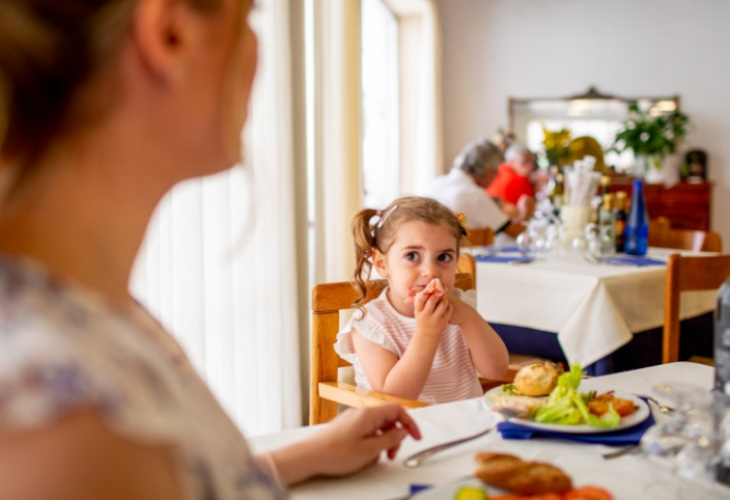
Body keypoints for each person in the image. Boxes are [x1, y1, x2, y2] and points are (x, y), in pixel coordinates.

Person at [0, 1, 420, 498]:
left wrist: (299, 457)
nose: (256, 50)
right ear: (172, 33)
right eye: (248, 18)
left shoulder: (89, 314)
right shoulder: (64, 429)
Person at [334, 196, 509, 405]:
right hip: (399, 432)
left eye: (443, 257)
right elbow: (394, 396)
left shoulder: (460, 306)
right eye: (412, 256)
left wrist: (468, 317)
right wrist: (427, 333)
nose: (430, 271)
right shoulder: (371, 323)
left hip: (463, 426)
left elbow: (497, 370)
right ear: (382, 264)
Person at [424, 139, 525, 239]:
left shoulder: (435, 183)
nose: (496, 177)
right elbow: (513, 231)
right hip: (462, 253)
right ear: (488, 171)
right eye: (496, 172)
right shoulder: (474, 194)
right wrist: (524, 214)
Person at [486, 144, 537, 223]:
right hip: (508, 227)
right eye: (524, 161)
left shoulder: (499, 171)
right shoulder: (520, 180)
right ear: (511, 162)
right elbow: (531, 212)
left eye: (533, 162)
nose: (531, 166)